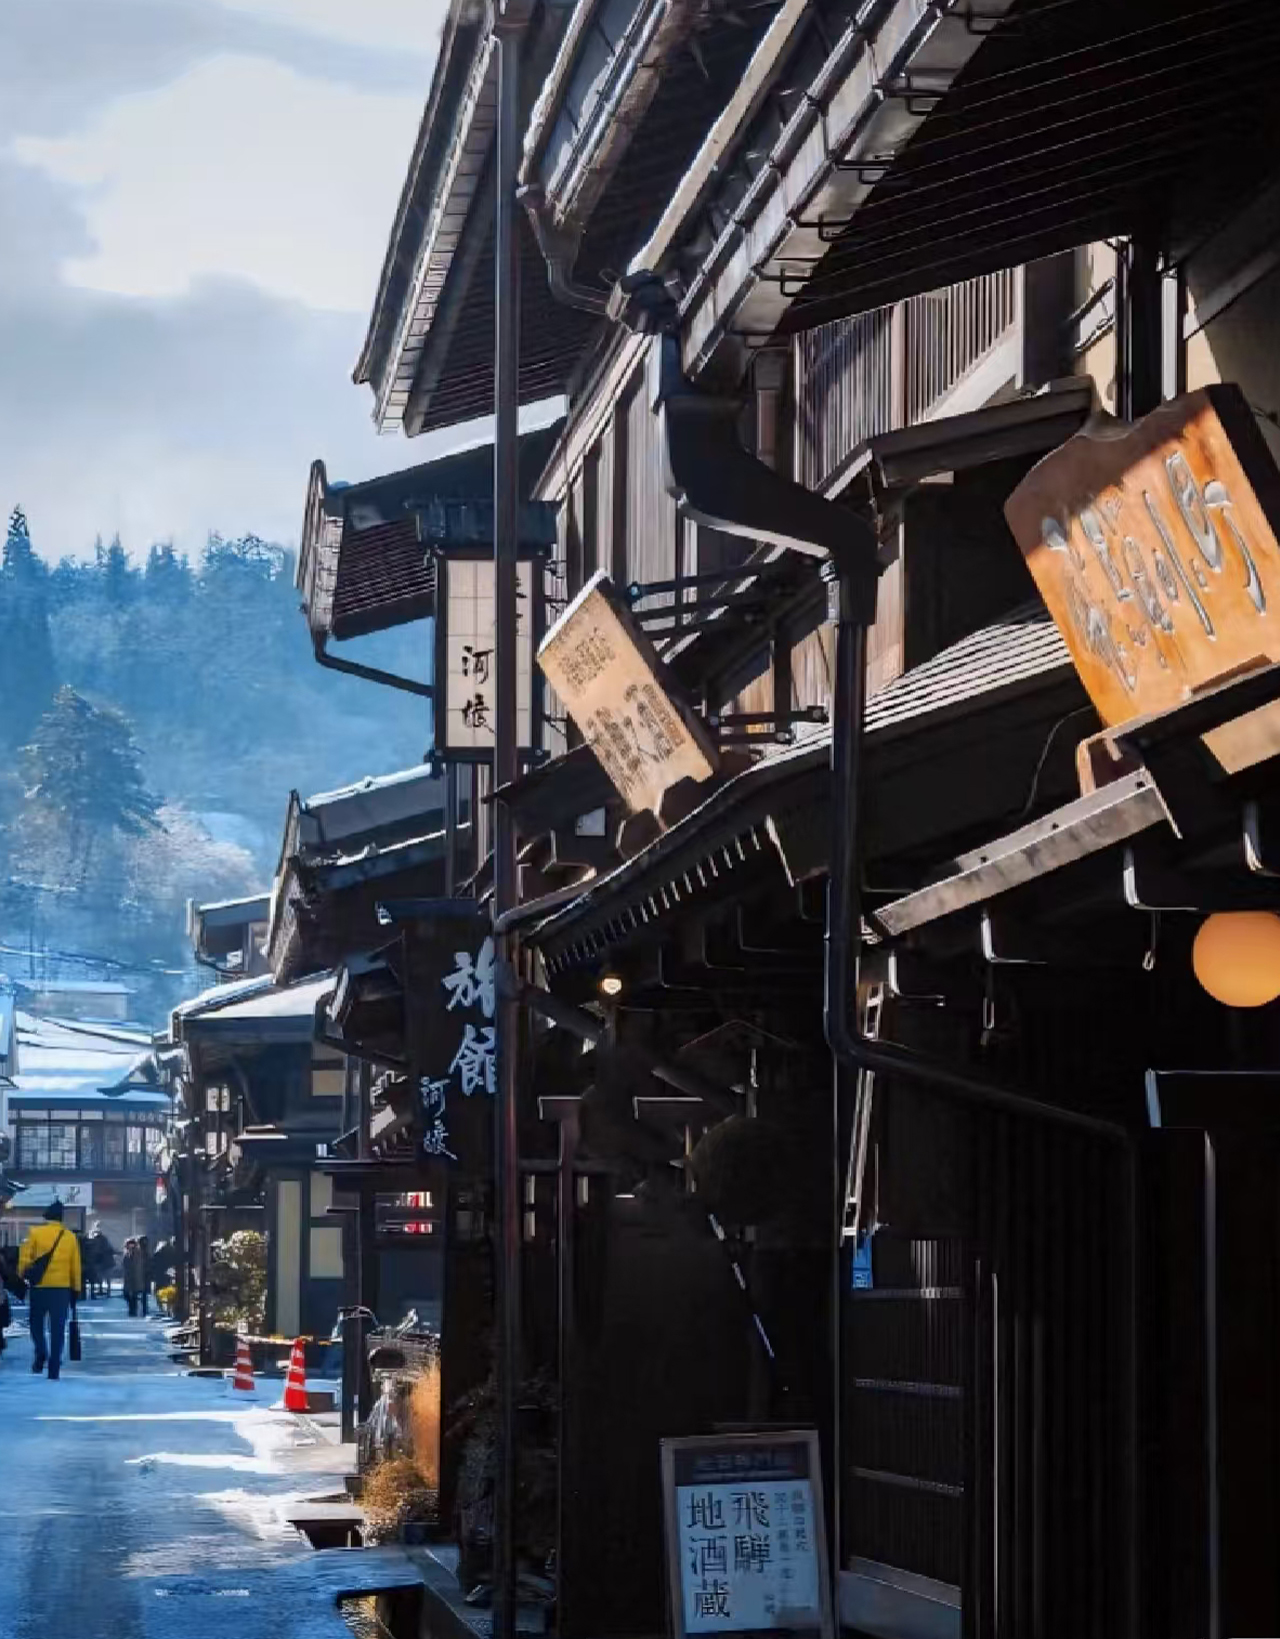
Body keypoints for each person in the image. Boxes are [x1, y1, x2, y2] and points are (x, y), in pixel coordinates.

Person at [18, 1202, 82, 1379]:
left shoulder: (35, 1234)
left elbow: (24, 1259)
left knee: (36, 1324)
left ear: (46, 1216)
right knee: (57, 1329)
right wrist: (76, 1289)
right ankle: (54, 1367)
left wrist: (22, 1275)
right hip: (61, 1290)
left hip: (38, 1289)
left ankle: (41, 1351)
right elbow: (75, 1266)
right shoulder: (69, 1237)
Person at [122, 1237, 144, 1317]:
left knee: (134, 1295)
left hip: (135, 1276)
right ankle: (132, 1310)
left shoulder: (137, 1253)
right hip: (128, 1277)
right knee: (127, 1295)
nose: (131, 1246)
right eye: (129, 1244)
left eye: (132, 1244)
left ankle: (133, 1311)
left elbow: (136, 1265)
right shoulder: (127, 1253)